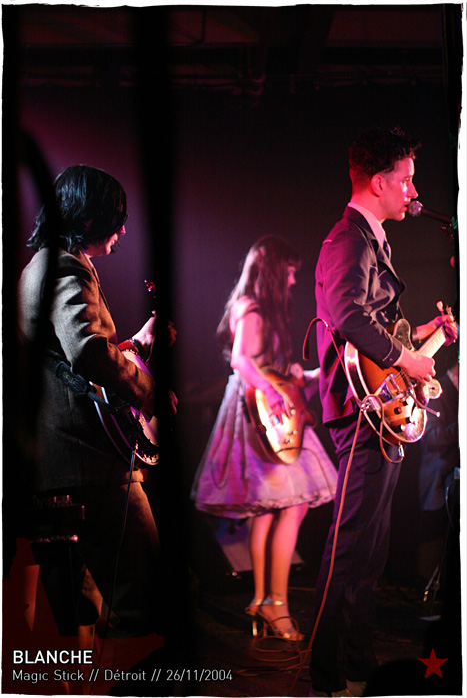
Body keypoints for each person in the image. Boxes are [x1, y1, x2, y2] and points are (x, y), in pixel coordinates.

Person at [308, 127, 457, 696]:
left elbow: (376, 327)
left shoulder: (371, 240)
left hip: (377, 406)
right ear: (378, 182)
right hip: (358, 407)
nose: (413, 191)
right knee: (350, 544)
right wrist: (405, 359)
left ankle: (356, 663)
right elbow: (346, 314)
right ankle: (324, 675)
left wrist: (423, 336)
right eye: (406, 180)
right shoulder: (348, 239)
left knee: (370, 548)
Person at [16, 165, 176, 649]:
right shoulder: (65, 266)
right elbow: (86, 350)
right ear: (87, 218)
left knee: (77, 616)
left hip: (59, 462)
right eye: (115, 218)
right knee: (146, 601)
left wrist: (137, 343)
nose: (122, 230)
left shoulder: (41, 265)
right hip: (88, 463)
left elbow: (69, 359)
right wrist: (149, 394)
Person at [191, 235, 338, 641]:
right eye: (289, 273)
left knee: (267, 508)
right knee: (294, 503)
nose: (293, 281)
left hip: (258, 409)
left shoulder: (250, 307)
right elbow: (242, 361)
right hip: (258, 413)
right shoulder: (252, 309)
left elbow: (263, 367)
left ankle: (261, 598)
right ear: (273, 271)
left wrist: (304, 376)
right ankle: (276, 603)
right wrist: (273, 391)